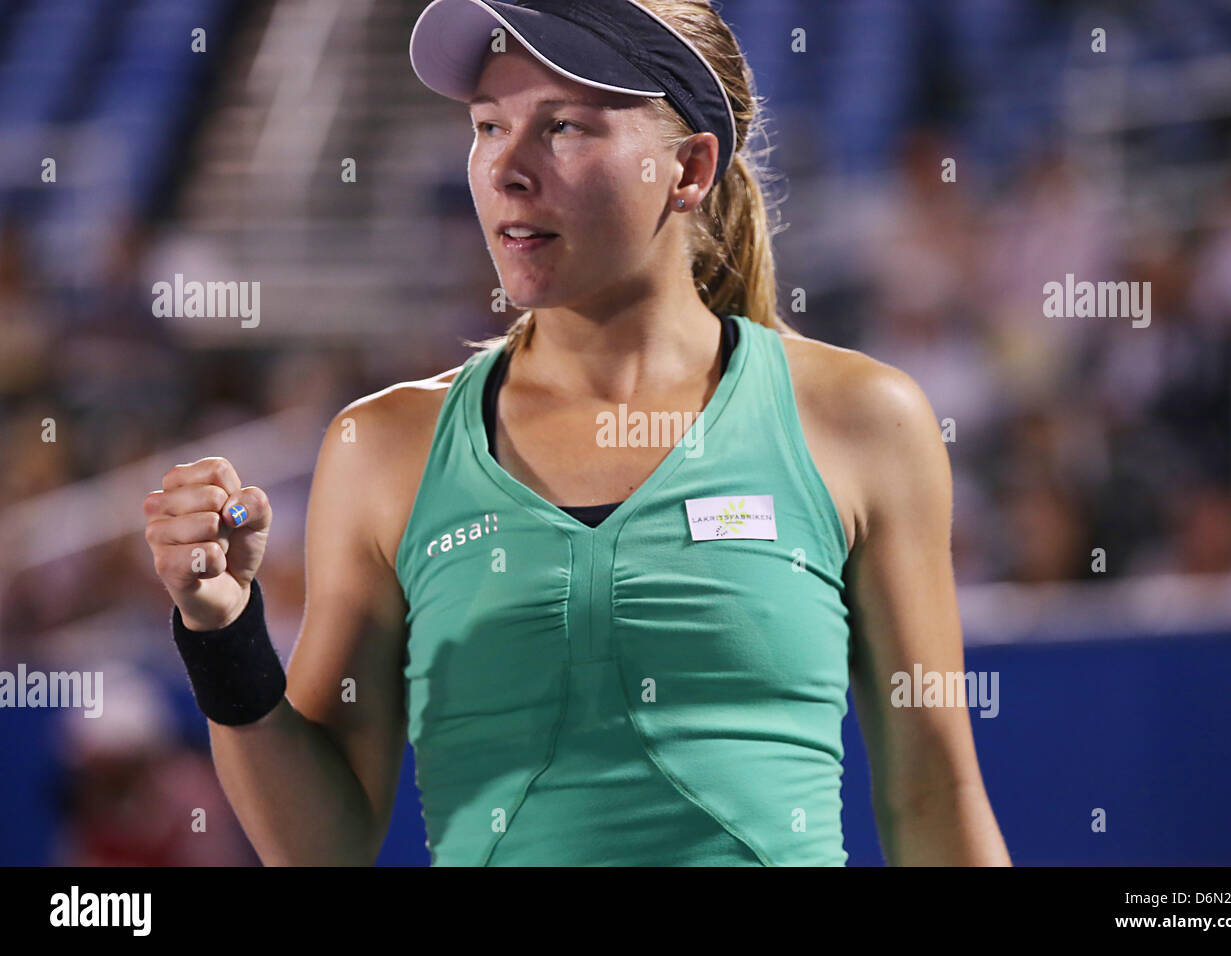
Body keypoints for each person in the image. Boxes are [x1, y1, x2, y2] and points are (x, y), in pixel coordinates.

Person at [142, 0, 1010, 866]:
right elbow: (320, 849)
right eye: (488, 126)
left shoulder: (863, 418)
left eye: (562, 127)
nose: (506, 171)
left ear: (689, 169)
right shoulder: (382, 447)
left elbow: (935, 792)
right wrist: (225, 636)